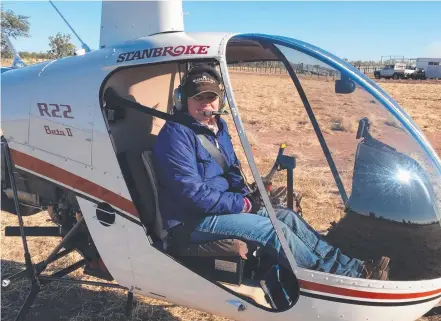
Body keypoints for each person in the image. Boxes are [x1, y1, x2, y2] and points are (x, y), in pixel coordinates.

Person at [152, 64, 390, 280]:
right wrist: (244, 204)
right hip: (190, 220)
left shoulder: (217, 128)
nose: (206, 103)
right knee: (272, 229)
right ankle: (332, 278)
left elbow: (232, 170)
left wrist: (250, 195)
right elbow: (193, 196)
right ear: (183, 100)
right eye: (198, 97)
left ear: (220, 101)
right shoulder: (176, 135)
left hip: (218, 209)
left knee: (286, 217)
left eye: (211, 97)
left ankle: (353, 268)